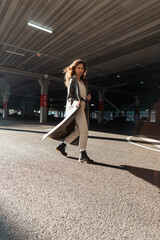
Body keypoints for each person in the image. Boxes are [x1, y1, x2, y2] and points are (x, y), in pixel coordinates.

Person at [56, 59, 94, 164]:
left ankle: (62, 145)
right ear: (75, 68)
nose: (81, 70)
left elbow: (83, 95)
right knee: (85, 130)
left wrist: (87, 97)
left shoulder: (83, 82)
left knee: (78, 131)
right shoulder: (73, 80)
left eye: (82, 68)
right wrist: (76, 102)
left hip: (83, 107)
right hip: (76, 108)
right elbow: (70, 97)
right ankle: (82, 154)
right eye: (79, 68)